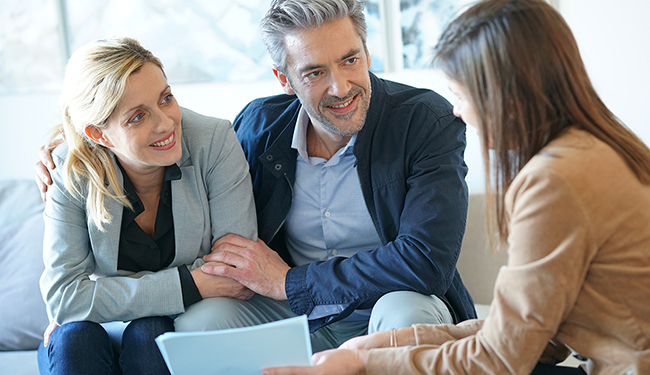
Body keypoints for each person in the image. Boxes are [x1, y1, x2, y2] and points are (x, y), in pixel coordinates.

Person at [35, 0, 476, 353]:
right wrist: (70, 146)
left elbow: (426, 263)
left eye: (350, 60)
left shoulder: (426, 122)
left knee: (403, 312)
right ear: (284, 79)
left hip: (393, 303)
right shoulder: (259, 127)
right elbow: (168, 139)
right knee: (197, 322)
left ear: (366, 52)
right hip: (295, 314)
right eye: (315, 72)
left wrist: (289, 281)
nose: (340, 87)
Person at [260, 0, 650, 374]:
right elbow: (530, 332)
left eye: (461, 94)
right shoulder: (594, 150)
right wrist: (388, 345)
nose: (457, 110)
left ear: (506, 93)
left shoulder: (553, 181)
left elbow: (501, 358)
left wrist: (365, 362)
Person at [36, 37, 257, 375]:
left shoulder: (213, 141)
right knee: (73, 339)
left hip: (170, 326)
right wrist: (189, 283)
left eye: (166, 98)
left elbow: (234, 270)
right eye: (138, 117)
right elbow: (64, 299)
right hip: (97, 333)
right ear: (99, 134)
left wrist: (98, 297)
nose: (166, 123)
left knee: (149, 332)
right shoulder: (69, 170)